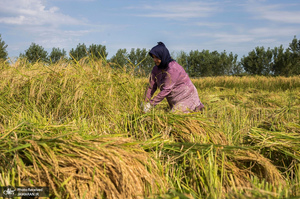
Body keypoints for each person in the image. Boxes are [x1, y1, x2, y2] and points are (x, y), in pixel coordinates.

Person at [143, 42, 204, 113]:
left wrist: (151, 104)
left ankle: (197, 107)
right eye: (153, 57)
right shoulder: (156, 69)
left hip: (186, 96)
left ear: (163, 56)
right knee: (173, 113)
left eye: (157, 57)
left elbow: (166, 89)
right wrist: (145, 101)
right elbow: (151, 87)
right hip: (174, 99)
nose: (154, 60)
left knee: (174, 116)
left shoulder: (173, 68)